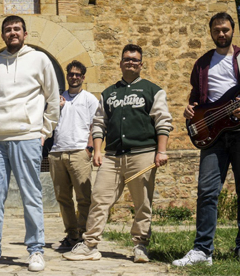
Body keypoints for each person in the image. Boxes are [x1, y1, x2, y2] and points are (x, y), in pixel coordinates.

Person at [172, 12, 240, 267]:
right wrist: (190, 109)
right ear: (211, 32)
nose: (221, 34)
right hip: (213, 135)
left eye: (225, 29)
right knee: (206, 191)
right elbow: (196, 98)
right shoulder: (202, 63)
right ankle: (202, 250)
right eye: (216, 30)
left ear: (232, 30)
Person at [63, 44, 173, 264]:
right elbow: (99, 123)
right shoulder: (109, 93)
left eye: (135, 59)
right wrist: (97, 150)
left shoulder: (153, 90)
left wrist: (161, 151)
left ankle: (140, 245)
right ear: (121, 63)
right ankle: (90, 245)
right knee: (99, 199)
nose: (130, 62)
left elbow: (163, 121)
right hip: (112, 156)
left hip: (143, 154)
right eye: (127, 59)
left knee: (142, 203)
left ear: (141, 64)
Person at [0, 15, 60, 272]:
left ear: (25, 33)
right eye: (8, 29)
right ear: (3, 35)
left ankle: (36, 250)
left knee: (31, 195)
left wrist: (44, 130)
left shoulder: (40, 59)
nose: (13, 33)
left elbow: (53, 98)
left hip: (27, 136)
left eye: (17, 29)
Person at [49, 60, 99, 250]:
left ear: (83, 77)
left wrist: (90, 148)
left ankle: (83, 234)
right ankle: (71, 234)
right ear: (67, 76)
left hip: (79, 152)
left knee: (84, 197)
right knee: (63, 197)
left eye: (78, 74)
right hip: (57, 152)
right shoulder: (58, 98)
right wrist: (57, 107)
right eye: (71, 74)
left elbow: (96, 124)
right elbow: (48, 122)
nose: (74, 77)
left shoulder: (89, 99)